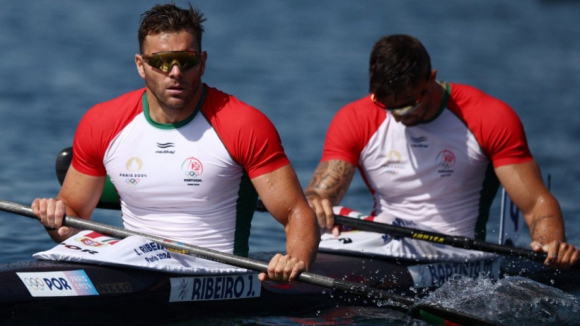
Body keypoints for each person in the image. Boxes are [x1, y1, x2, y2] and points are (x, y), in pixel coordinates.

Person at [31, 3, 319, 283]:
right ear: (141, 65)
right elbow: (74, 219)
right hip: (135, 271)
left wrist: (295, 261)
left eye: (187, 60)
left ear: (203, 62)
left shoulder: (243, 124)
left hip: (218, 278)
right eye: (161, 62)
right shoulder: (102, 123)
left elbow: (297, 213)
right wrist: (56, 219)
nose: (175, 72)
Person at [305, 34, 578, 268]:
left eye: (407, 106)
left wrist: (550, 247)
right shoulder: (354, 118)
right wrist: (315, 200)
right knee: (320, 215)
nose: (397, 116)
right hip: (385, 237)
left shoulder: (488, 117)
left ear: (431, 79)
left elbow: (535, 204)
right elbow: (321, 192)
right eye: (386, 106)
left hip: (456, 253)